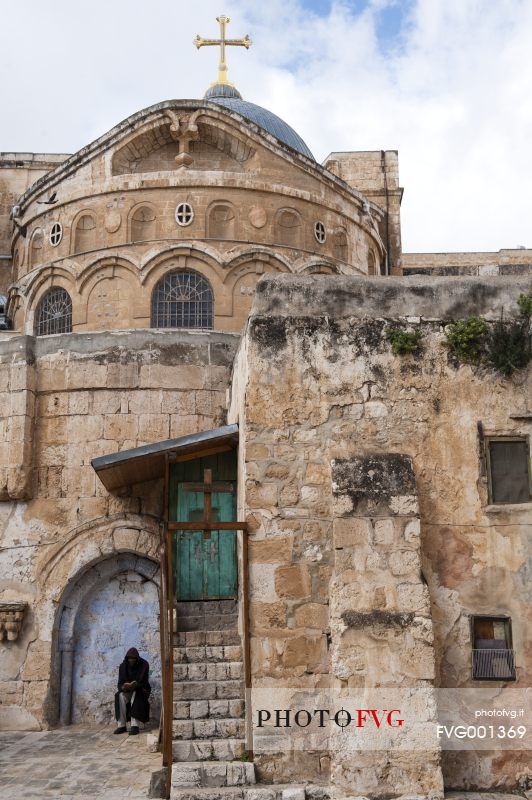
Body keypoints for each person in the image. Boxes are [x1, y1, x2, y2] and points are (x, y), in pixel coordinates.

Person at [114, 647, 151, 735]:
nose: (131, 661)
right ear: (127, 659)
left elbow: (144, 682)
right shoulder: (123, 666)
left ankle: (135, 726)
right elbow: (119, 683)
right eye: (130, 659)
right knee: (119, 696)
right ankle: (121, 726)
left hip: (140, 690)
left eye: (133, 659)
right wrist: (123, 687)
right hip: (127, 690)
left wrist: (135, 685)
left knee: (136, 694)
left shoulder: (144, 664)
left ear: (137, 659)